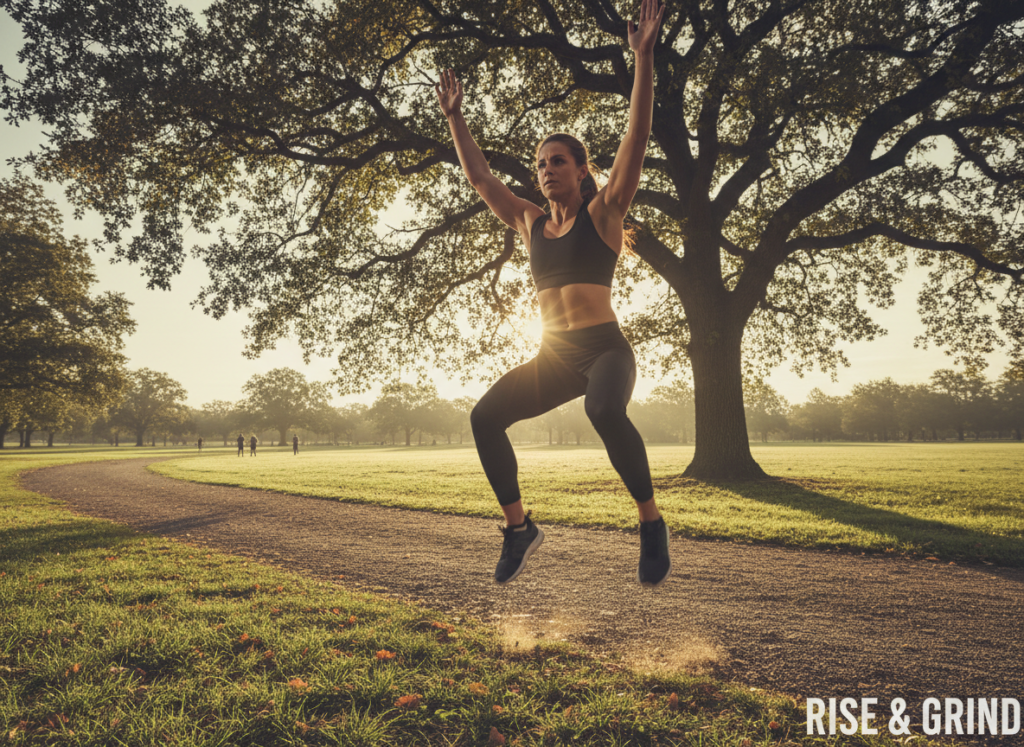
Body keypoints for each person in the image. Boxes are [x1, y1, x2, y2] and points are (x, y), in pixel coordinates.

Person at [436, 0, 670, 588]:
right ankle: (518, 528)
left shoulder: (605, 211)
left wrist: (643, 57)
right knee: (484, 417)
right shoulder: (529, 222)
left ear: (582, 169)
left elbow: (637, 136)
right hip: (555, 357)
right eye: (540, 163)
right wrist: (455, 118)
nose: (546, 169)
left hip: (605, 349)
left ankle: (650, 524)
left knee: (603, 410)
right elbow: (480, 178)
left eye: (558, 161)